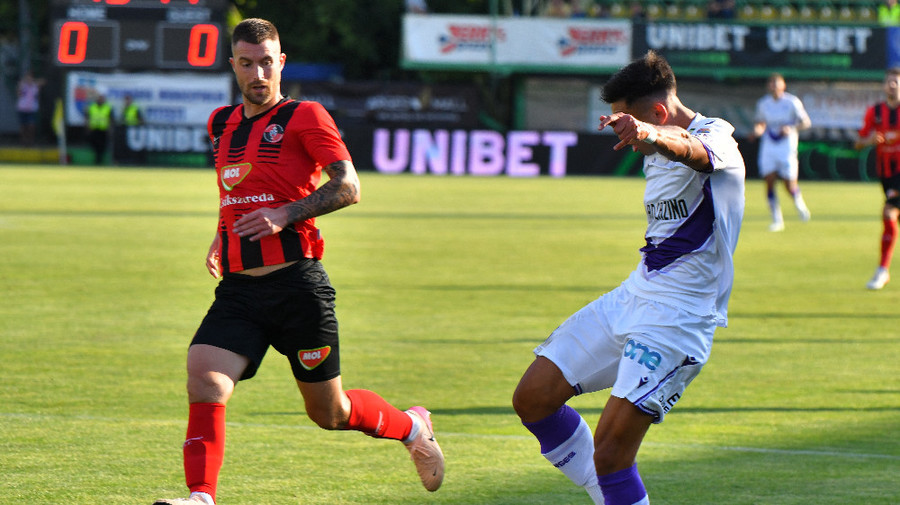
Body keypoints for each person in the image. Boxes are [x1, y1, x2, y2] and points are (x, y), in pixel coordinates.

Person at [152, 18, 444, 505]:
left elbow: (348, 186)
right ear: (233, 65)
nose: (258, 74)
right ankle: (201, 497)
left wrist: (284, 215)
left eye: (267, 62)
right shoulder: (221, 123)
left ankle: (412, 427)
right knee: (205, 377)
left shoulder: (305, 116)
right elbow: (236, 192)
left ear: (281, 62)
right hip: (239, 291)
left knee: (329, 412)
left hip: (297, 287)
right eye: (248, 64)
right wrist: (221, 235)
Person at [512, 50, 745, 505]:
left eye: (627, 122)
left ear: (658, 113)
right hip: (634, 295)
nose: (624, 137)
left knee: (612, 453)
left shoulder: (718, 138)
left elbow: (695, 152)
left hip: (679, 319)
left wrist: (650, 135)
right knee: (533, 398)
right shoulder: (651, 144)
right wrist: (645, 133)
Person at [750, 73, 812, 232]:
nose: (774, 86)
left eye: (776, 83)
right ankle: (777, 220)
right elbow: (760, 123)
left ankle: (799, 205)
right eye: (771, 83)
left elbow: (806, 122)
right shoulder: (763, 103)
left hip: (786, 147)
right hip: (769, 146)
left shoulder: (792, 102)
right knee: (769, 181)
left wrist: (791, 128)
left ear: (783, 85)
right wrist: (757, 131)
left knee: (789, 184)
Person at [856, 68, 900, 290]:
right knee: (892, 221)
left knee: (888, 213)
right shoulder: (875, 112)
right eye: (889, 82)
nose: (892, 85)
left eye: (896, 82)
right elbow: (858, 143)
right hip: (886, 175)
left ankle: (882, 270)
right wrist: (870, 140)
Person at [16, 70, 45, 146]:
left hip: (32, 109)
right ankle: (23, 141)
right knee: (23, 126)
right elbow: (18, 94)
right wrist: (21, 85)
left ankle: (30, 140)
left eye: (30, 78)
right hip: (22, 108)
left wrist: (33, 81)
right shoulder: (22, 85)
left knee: (31, 125)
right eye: (27, 78)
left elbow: (43, 81)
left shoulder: (35, 86)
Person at [85, 94, 113, 165]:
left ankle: (99, 160)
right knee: (94, 145)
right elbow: (88, 118)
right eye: (99, 99)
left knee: (102, 146)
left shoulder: (107, 108)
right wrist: (88, 127)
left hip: (103, 129)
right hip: (94, 129)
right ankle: (97, 159)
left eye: (102, 99)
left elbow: (110, 120)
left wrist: (110, 129)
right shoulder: (92, 107)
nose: (100, 100)